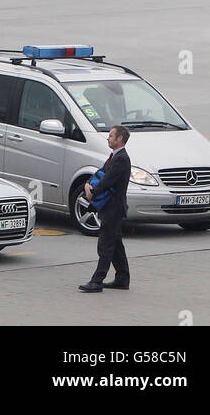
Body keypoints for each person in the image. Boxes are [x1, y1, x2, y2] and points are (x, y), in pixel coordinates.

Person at [79, 125, 132, 293]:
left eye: (111, 136)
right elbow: (101, 173)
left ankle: (96, 281)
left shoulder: (121, 159)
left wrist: (92, 192)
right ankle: (122, 279)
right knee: (115, 244)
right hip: (110, 207)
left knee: (105, 244)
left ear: (120, 139)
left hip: (113, 208)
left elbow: (108, 180)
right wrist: (88, 184)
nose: (108, 138)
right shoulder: (114, 156)